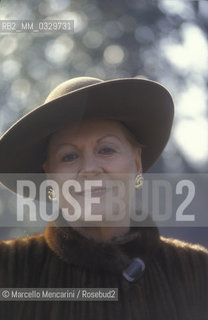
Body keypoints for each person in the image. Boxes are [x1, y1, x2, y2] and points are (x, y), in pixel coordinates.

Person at [0, 77, 207, 320]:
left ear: (137, 163)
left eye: (106, 150)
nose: (89, 168)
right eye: (69, 156)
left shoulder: (197, 271)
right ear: (50, 175)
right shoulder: (9, 270)